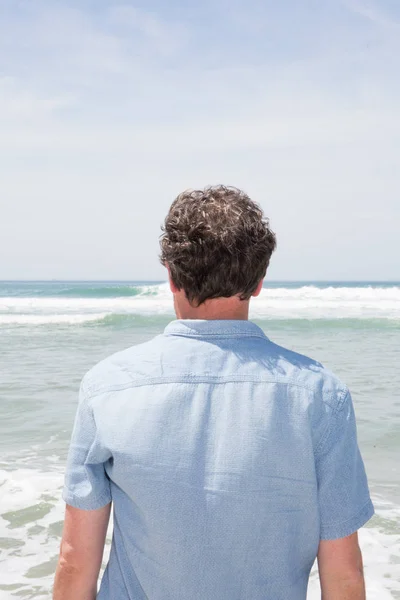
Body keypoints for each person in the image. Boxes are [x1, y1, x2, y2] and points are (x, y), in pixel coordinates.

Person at [54, 185, 374, 600]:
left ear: (170, 276)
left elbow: (75, 560)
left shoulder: (108, 387)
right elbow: (343, 573)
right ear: (259, 282)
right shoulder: (321, 396)